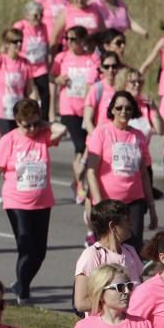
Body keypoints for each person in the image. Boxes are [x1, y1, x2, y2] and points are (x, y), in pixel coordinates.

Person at [0, 99, 66, 304]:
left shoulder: (43, 136)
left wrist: (44, 123)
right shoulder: (9, 141)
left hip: (42, 201)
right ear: (17, 121)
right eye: (27, 124)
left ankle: (20, 283)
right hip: (16, 202)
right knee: (26, 247)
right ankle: (23, 293)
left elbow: (63, 129)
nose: (32, 129)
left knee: (39, 253)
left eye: (35, 123)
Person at [84, 91, 157, 252]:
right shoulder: (101, 132)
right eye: (119, 108)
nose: (123, 111)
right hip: (109, 203)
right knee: (109, 250)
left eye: (128, 108)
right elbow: (91, 172)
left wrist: (152, 208)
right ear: (112, 110)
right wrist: (99, 203)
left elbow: (144, 174)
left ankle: (131, 277)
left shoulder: (138, 136)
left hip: (134, 201)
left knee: (133, 249)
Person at [73, 200, 145, 312]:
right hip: (107, 325)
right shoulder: (92, 255)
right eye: (127, 220)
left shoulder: (130, 251)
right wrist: (116, 303)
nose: (131, 224)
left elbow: (141, 285)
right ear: (112, 226)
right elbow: (81, 303)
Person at [52, 26, 97, 203]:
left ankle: (76, 181)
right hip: (68, 108)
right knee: (80, 146)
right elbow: (50, 77)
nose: (69, 43)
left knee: (85, 148)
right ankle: (80, 185)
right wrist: (57, 80)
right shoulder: (61, 57)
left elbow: (93, 83)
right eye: (67, 39)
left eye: (74, 39)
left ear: (82, 41)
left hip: (86, 110)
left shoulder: (91, 59)